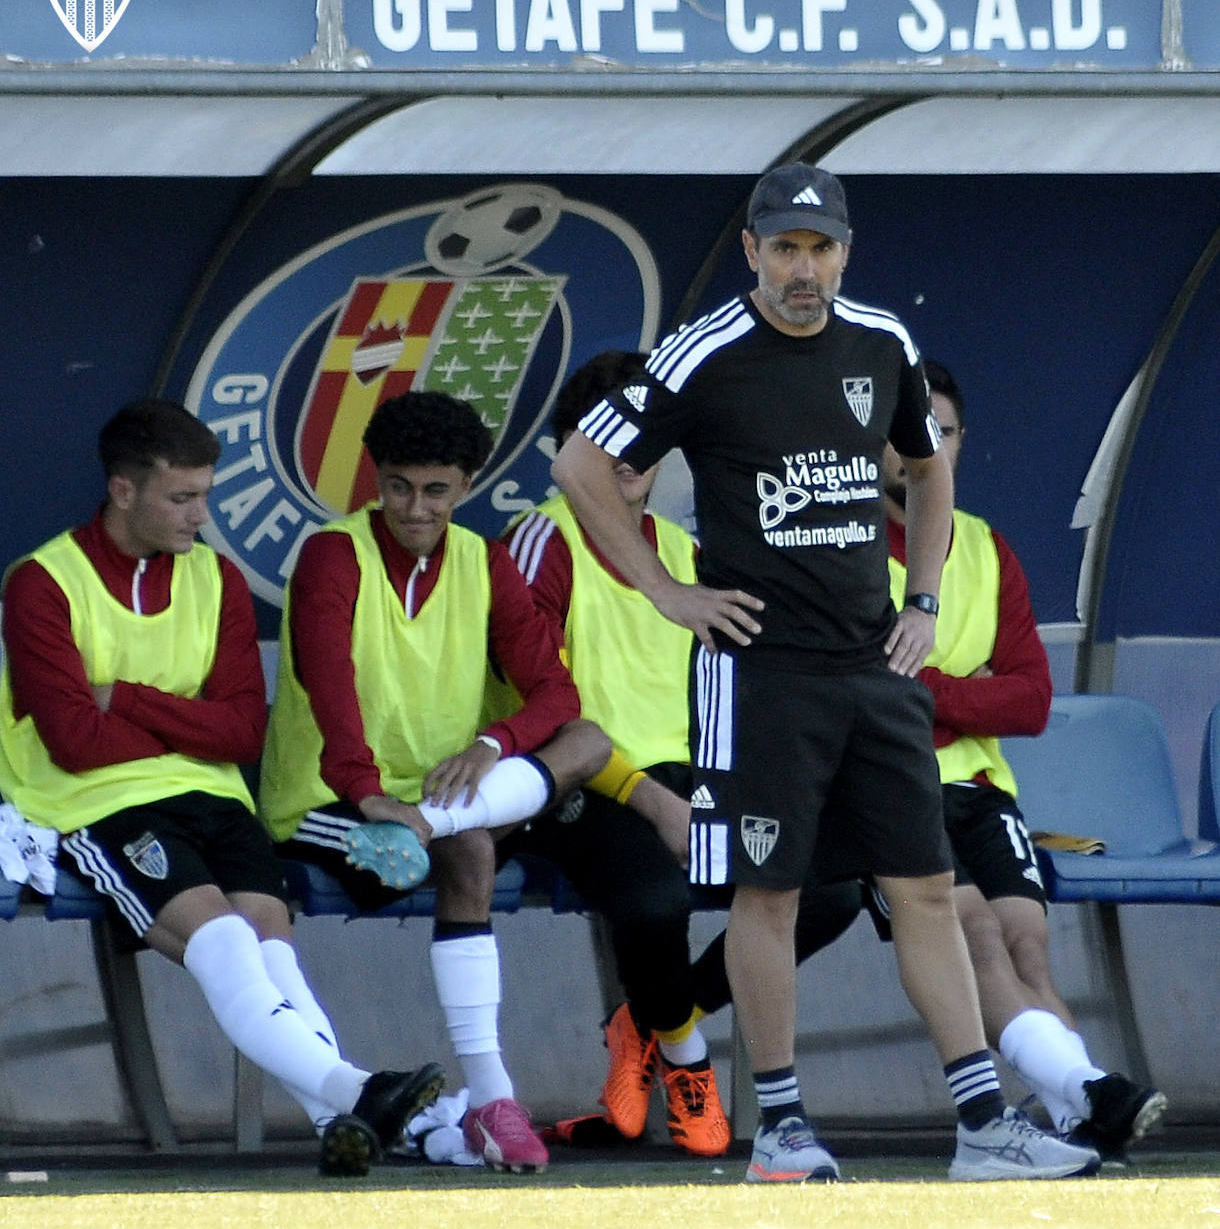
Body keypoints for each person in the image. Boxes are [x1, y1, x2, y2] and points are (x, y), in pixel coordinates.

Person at [551, 161, 1100, 1183]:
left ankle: (982, 1127)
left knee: (927, 890)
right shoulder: (702, 351)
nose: (804, 269)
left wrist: (923, 601)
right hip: (759, 673)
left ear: (844, 252)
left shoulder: (882, 342)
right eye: (785, 248)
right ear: (752, 250)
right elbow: (581, 467)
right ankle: (785, 1131)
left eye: (821, 248)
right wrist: (664, 594)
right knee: (769, 895)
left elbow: (925, 468)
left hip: (872, 667)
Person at [0, 399, 443, 1178]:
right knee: (231, 943)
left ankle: (347, 1116)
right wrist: (184, 723)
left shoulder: (217, 579)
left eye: (206, 494)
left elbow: (243, 730)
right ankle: (364, 1093)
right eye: (182, 498)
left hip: (214, 798)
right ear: (123, 490)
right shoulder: (43, 582)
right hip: (98, 805)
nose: (201, 516)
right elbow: (72, 743)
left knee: (274, 960)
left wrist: (129, 700)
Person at [504, 352, 866, 1157]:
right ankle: (688, 1061)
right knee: (656, 902)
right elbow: (534, 708)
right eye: (606, 442)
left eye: (644, 441)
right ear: (571, 449)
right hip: (581, 783)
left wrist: (743, 781)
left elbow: (732, 682)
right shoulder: (539, 541)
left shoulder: (681, 546)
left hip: (695, 776)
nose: (628, 461)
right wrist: (650, 797)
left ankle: (655, 1016)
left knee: (831, 890)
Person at [259, 390, 610, 1174]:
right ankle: (493, 1091)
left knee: (587, 740)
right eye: (398, 487)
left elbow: (556, 694)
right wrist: (368, 791)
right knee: (474, 850)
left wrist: (492, 744)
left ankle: (489, 1103)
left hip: (432, 805)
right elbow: (327, 683)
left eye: (436, 490)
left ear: (468, 484)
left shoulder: (483, 561)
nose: (415, 508)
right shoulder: (332, 554)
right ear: (376, 479)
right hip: (329, 803)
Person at [880, 358, 1167, 1160]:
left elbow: (1030, 701)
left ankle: (1083, 1114)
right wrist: (965, 689)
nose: (920, 448)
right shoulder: (847, 550)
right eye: (904, 434)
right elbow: (871, 695)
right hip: (890, 792)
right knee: (971, 933)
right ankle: (1088, 1092)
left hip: (980, 786)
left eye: (939, 432)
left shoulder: (984, 547)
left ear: (961, 444)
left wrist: (929, 689)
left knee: (1026, 943)